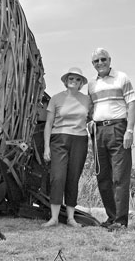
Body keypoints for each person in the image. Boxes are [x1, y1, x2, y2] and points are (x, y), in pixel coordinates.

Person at [88, 48, 135, 230]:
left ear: (109, 59)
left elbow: (131, 105)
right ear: (93, 64)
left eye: (103, 59)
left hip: (118, 128)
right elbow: (91, 108)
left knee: (119, 176)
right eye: (96, 61)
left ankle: (121, 221)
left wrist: (129, 130)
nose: (100, 63)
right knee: (103, 176)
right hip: (98, 131)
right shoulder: (91, 85)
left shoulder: (122, 78)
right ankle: (111, 217)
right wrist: (90, 122)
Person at [43, 67, 90, 228]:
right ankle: (54, 218)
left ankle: (71, 218)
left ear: (81, 83)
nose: (74, 81)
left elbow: (92, 118)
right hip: (59, 139)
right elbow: (48, 124)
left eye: (78, 79)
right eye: (71, 78)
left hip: (80, 140)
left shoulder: (87, 100)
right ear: (66, 80)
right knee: (57, 177)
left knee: (73, 178)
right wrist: (46, 148)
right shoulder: (56, 98)